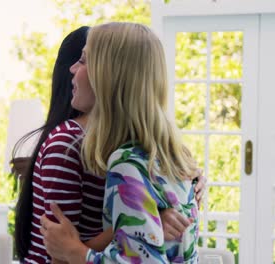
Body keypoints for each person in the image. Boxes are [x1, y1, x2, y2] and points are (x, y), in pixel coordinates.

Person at [14, 26, 205, 264]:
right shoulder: (69, 144)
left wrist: (146, 224)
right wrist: (147, 223)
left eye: (83, 61)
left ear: (107, 77)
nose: (72, 69)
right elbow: (58, 253)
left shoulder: (134, 156)